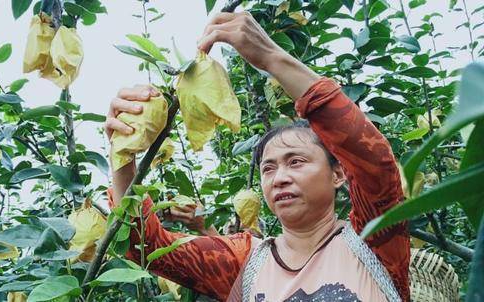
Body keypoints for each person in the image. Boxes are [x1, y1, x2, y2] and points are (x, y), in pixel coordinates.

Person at [104, 12, 409, 302]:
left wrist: (272, 58)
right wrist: (123, 150)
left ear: (338, 173)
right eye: (268, 168)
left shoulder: (373, 239)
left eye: (296, 161)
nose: (280, 177)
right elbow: (146, 247)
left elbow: (374, 161)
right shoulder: (245, 261)